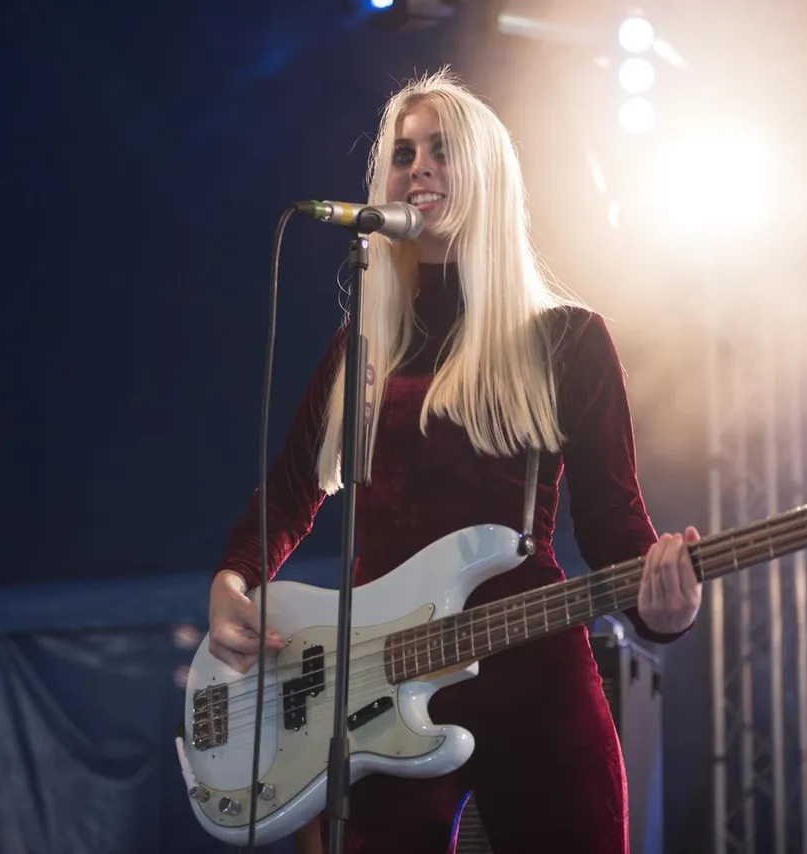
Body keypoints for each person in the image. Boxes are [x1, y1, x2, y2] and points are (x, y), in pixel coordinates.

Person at [203, 69, 702, 853]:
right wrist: (233, 577)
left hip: (533, 670)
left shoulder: (565, 340)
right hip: (378, 683)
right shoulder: (360, 352)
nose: (419, 167)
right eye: (403, 154)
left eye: (442, 150)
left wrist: (661, 611)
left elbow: (615, 526)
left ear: (489, 178)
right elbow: (294, 489)